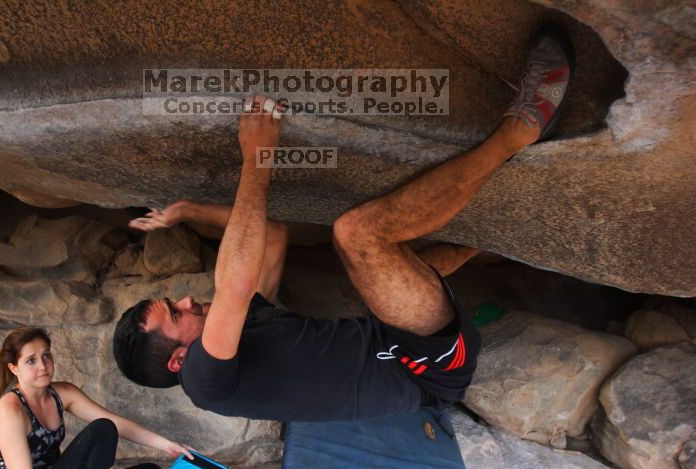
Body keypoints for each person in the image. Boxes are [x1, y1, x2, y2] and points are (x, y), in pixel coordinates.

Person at [113, 25, 574, 422]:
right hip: (424, 369)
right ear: (178, 359)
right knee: (357, 235)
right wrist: (258, 157)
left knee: (394, 268)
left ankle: (495, 241)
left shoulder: (244, 333)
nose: (188, 299)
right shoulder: (204, 380)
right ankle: (519, 132)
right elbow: (234, 282)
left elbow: (271, 240)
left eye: (174, 301)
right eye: (176, 314)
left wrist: (190, 209)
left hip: (392, 336)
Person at [0, 327, 194, 469]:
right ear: (14, 368)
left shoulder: (62, 393)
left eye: (46, 355)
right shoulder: (10, 411)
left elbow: (117, 423)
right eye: (31, 361)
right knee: (102, 430)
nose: (42, 366)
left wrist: (167, 445)